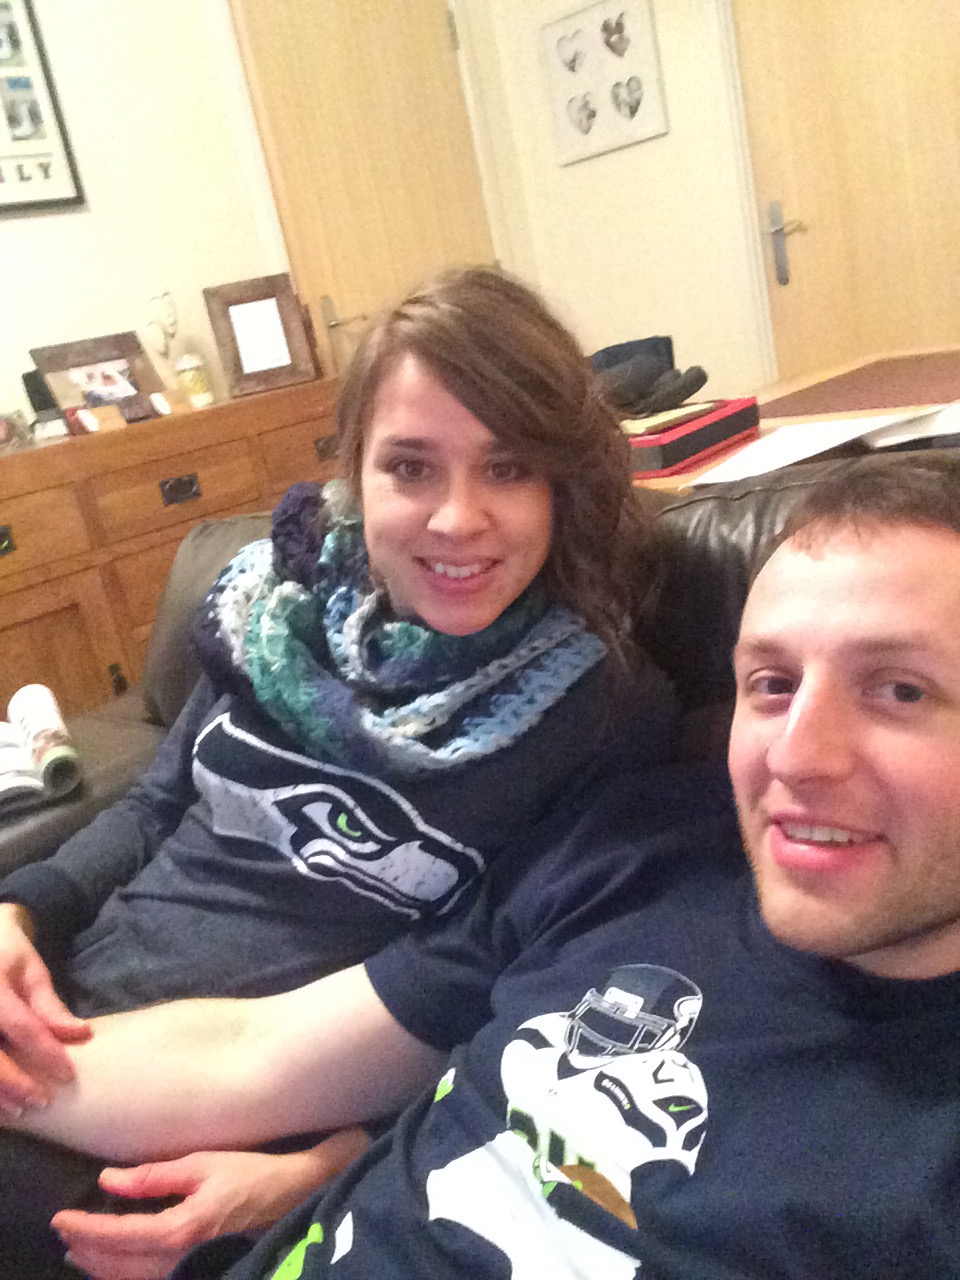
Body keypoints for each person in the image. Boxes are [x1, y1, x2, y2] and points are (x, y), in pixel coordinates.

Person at [10, 451, 960, 1279]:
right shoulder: (638, 846)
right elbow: (251, 1054)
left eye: (901, 690)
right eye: (773, 683)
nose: (797, 755)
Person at [0, 266, 677, 1278]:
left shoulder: (602, 713)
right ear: (355, 471)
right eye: (410, 466)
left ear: (562, 484)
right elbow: (154, 803)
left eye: (506, 467)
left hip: (231, 1130)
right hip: (66, 1010)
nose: (456, 518)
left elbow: (518, 989)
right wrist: (20, 911)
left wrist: (333, 1164)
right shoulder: (277, 615)